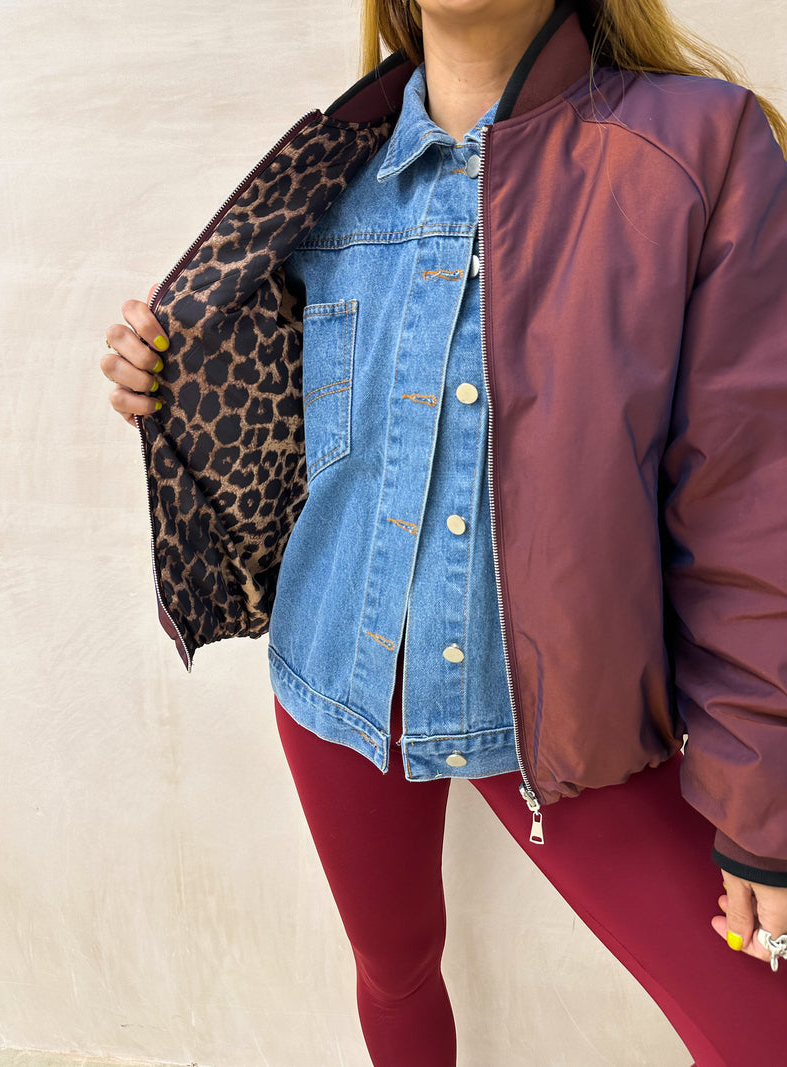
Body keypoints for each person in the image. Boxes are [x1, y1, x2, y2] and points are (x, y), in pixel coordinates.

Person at [101, 0, 787, 1063]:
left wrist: (762, 806)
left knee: (758, 1029)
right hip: (334, 679)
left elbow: (749, 497)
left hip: (560, 718)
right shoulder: (324, 174)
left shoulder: (695, 146)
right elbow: (290, 421)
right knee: (395, 962)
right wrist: (163, 372)